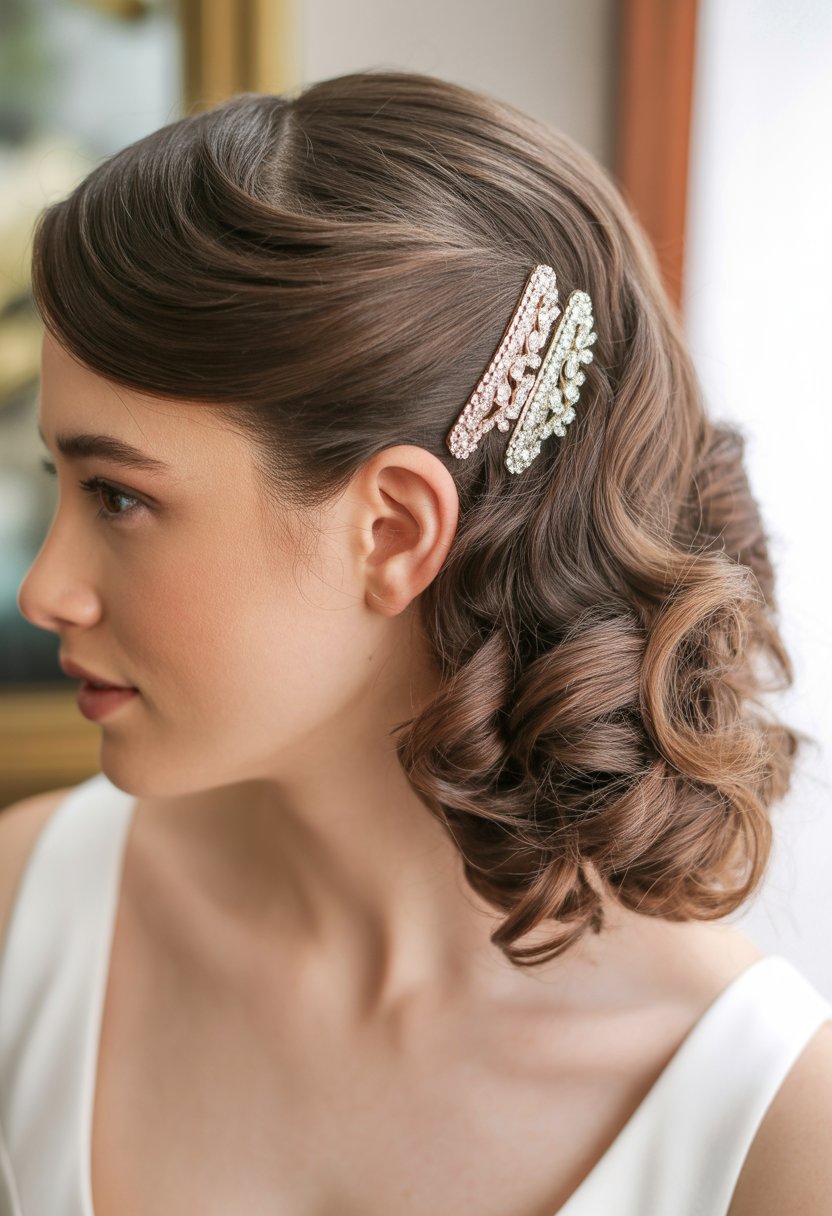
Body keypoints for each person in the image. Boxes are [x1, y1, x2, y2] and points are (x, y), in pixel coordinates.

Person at [1, 69, 830, 1216]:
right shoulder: (21, 918)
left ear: (392, 529)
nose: (47, 590)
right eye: (62, 483)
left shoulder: (772, 1136)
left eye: (118, 498)